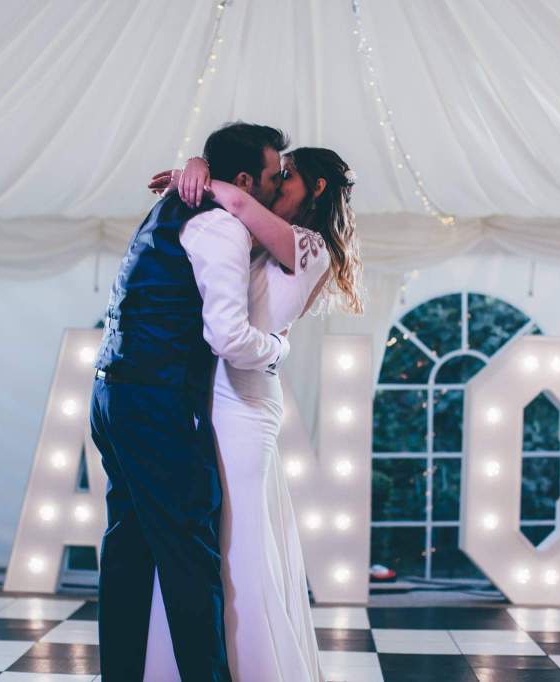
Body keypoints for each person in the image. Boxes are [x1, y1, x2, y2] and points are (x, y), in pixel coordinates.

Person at [143, 145, 364, 681]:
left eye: (286, 176)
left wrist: (198, 177)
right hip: (214, 393)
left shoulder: (309, 247)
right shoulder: (263, 238)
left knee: (238, 539)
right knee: (209, 533)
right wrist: (197, 166)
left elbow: (239, 203)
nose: (275, 184)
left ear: (316, 188)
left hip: (245, 403)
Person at [90, 121, 292, 681]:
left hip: (111, 393)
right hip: (157, 402)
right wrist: (277, 348)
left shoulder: (167, 208)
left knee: (128, 556)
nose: (279, 185)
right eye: (274, 176)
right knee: (190, 560)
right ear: (245, 180)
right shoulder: (221, 227)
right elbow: (228, 337)